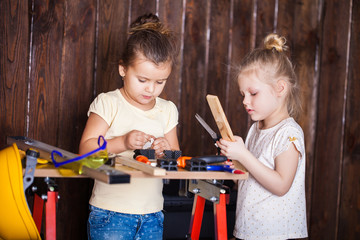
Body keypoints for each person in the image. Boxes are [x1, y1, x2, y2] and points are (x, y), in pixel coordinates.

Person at [79, 13, 179, 240]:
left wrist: (166, 152)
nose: (151, 89)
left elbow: (175, 160)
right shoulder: (108, 103)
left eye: (160, 82)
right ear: (123, 69)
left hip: (153, 213)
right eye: (143, 80)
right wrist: (122, 142)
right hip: (111, 212)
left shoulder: (167, 109)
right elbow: (85, 151)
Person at [217, 33, 308, 239]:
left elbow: (281, 185)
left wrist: (244, 156)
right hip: (249, 230)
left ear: (280, 88)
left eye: (253, 93)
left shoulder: (289, 134)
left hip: (275, 234)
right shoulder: (256, 129)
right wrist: (237, 167)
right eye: (243, 95)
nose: (245, 101)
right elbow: (254, 176)